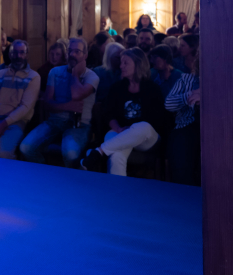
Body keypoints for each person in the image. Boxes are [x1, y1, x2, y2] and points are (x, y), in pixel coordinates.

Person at [81, 48, 171, 175]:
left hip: (147, 138)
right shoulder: (117, 88)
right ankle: (117, 192)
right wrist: (118, 128)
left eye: (126, 63)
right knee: (116, 155)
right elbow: (109, 114)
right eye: (121, 62)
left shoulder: (152, 89)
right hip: (120, 131)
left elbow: (157, 120)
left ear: (138, 64)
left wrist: (131, 129)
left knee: (142, 127)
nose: (121, 66)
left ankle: (98, 152)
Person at [19, 38, 99, 167]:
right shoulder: (55, 72)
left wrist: (75, 73)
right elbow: (47, 103)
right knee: (26, 147)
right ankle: (46, 174)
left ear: (85, 55)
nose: (72, 54)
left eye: (77, 51)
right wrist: (67, 106)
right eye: (70, 51)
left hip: (79, 126)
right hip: (54, 122)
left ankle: (70, 181)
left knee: (70, 154)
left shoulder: (92, 76)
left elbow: (77, 94)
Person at [164, 48, 200, 185]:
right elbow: (168, 104)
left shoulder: (225, 81)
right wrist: (191, 95)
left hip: (217, 129)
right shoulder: (186, 79)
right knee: (182, 144)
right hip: (186, 127)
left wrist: (206, 92)